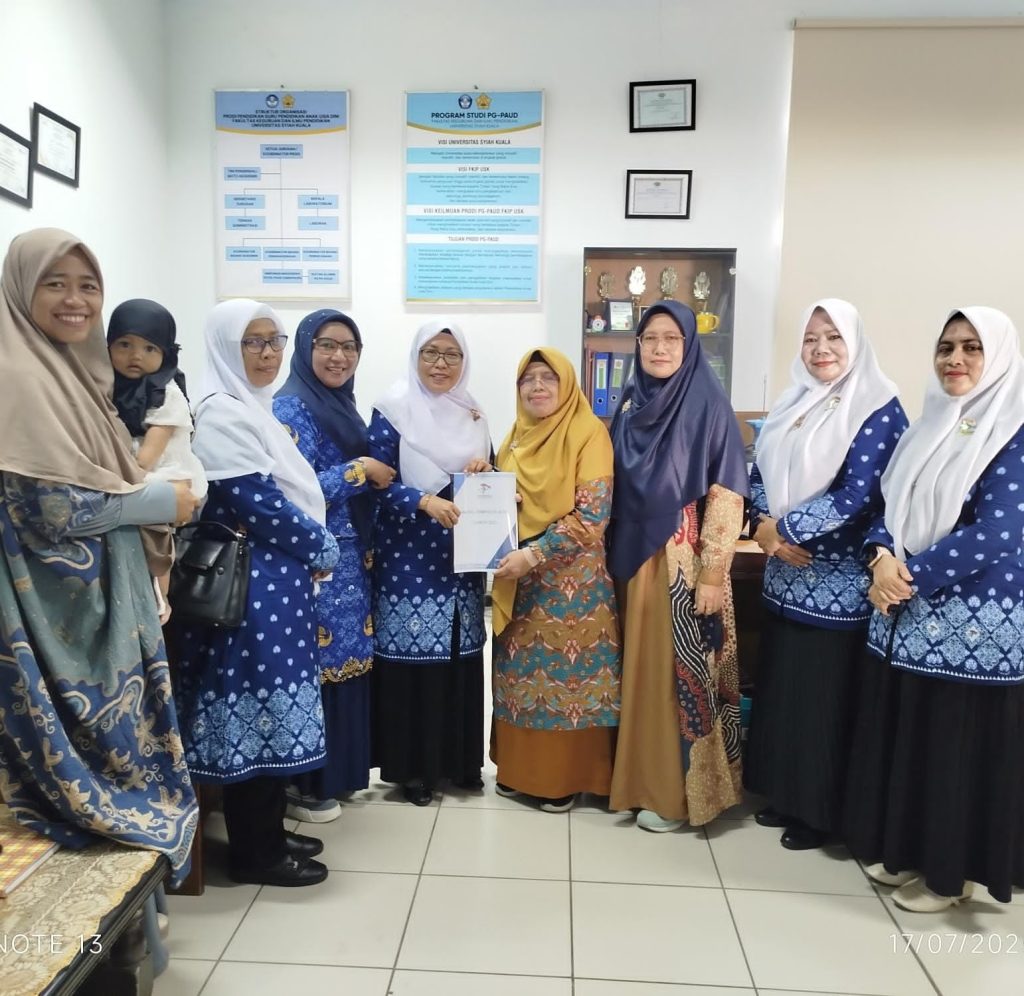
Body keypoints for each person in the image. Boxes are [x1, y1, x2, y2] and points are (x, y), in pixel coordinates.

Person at [0, 228, 198, 879]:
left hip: (103, 598)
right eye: (54, 283)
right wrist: (164, 501)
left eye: (88, 285)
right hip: (51, 614)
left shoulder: (76, 373)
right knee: (86, 768)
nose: (75, 300)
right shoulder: (17, 376)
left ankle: (134, 917)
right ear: (21, 289)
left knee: (119, 754)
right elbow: (50, 510)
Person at [844, 306, 1024, 911]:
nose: (955, 359)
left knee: (956, 751)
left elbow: (997, 532)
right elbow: (887, 508)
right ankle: (910, 853)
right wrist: (879, 557)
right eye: (946, 347)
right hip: (912, 619)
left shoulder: (1013, 431)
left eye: (972, 347)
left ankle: (952, 877)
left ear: (998, 356)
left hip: (974, 626)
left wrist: (907, 576)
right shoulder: (928, 427)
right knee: (916, 741)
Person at [172, 299, 339, 887]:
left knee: (273, 711)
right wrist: (321, 545)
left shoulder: (252, 407)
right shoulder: (221, 412)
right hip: (250, 598)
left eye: (275, 340)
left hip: (273, 590)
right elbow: (258, 504)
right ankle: (256, 854)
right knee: (259, 712)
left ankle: (267, 833)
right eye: (253, 342)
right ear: (225, 346)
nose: (268, 353)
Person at [744, 299, 907, 849]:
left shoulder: (878, 408)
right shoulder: (794, 400)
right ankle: (783, 794)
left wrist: (783, 529)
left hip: (838, 584)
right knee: (786, 691)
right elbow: (759, 469)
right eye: (811, 338)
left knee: (823, 700)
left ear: (854, 341)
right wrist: (763, 526)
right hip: (783, 578)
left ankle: (819, 813)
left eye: (833, 337)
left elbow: (857, 496)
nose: (820, 349)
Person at [607, 301, 749, 832]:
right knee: (639, 677)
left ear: (689, 347)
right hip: (631, 558)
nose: (660, 348)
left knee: (675, 680)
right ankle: (633, 782)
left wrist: (712, 573)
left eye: (672, 338)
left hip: (682, 562)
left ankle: (674, 796)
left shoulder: (708, 403)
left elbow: (728, 493)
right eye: (650, 338)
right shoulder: (629, 401)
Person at [273, 309, 395, 822]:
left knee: (349, 664)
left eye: (349, 347)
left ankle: (338, 776)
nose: (339, 356)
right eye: (326, 344)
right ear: (305, 348)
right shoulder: (290, 407)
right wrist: (359, 469)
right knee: (320, 669)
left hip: (353, 560)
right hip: (318, 563)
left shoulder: (341, 405)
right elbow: (293, 492)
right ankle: (305, 785)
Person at [490, 347, 621, 812]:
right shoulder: (515, 437)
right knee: (518, 677)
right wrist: (485, 480)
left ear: (567, 384)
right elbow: (508, 500)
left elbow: (592, 516)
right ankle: (518, 771)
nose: (538, 386)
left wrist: (535, 554)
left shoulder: (588, 433)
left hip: (573, 584)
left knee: (569, 680)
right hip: (519, 577)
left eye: (548, 377)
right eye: (528, 378)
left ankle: (564, 779)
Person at [368, 320, 491, 805]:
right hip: (408, 557)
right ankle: (414, 770)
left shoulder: (473, 413)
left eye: (452, 355)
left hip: (462, 558)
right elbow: (375, 483)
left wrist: (484, 470)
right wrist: (421, 501)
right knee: (414, 663)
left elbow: (490, 480)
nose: (441, 364)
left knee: (459, 654)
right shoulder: (392, 409)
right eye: (431, 353)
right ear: (416, 356)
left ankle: (460, 762)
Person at [106, 297, 208, 622]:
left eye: (149, 348)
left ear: (166, 352)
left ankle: (160, 599)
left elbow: (149, 454)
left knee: (156, 538)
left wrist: (121, 477)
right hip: (134, 472)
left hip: (165, 471)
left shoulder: (167, 392)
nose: (135, 356)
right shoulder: (108, 385)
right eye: (124, 344)